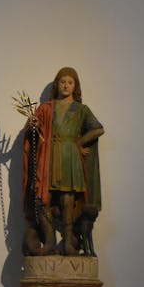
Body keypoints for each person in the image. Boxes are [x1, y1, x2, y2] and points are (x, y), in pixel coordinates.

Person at [22, 66, 104, 256]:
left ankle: (68, 241)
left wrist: (79, 142)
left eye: (70, 82)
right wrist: (33, 126)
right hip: (48, 156)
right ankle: (50, 240)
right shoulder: (46, 108)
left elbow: (98, 129)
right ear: (57, 85)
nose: (66, 86)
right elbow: (33, 130)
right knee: (43, 198)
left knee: (67, 199)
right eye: (62, 82)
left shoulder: (81, 109)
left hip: (69, 157)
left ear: (75, 86)